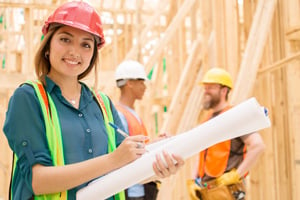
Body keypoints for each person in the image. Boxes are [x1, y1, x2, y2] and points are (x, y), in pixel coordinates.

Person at [2, 2, 184, 200]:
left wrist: (156, 165)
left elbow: (125, 169)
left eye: (86, 44)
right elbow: (38, 181)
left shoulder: (102, 104)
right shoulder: (29, 98)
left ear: (93, 55)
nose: (75, 51)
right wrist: (113, 160)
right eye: (65, 39)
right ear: (47, 45)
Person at [188, 67, 266, 200]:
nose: (205, 91)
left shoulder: (235, 117)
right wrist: (193, 180)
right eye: (205, 87)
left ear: (224, 90)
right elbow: (201, 154)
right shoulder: (207, 119)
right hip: (207, 189)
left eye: (210, 87)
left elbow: (258, 145)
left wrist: (236, 176)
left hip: (227, 190)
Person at [114, 60, 162, 200]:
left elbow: (139, 148)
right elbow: (124, 154)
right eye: (141, 81)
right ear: (129, 83)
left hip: (143, 187)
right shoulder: (120, 115)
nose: (144, 86)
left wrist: (157, 143)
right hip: (132, 191)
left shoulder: (131, 113)